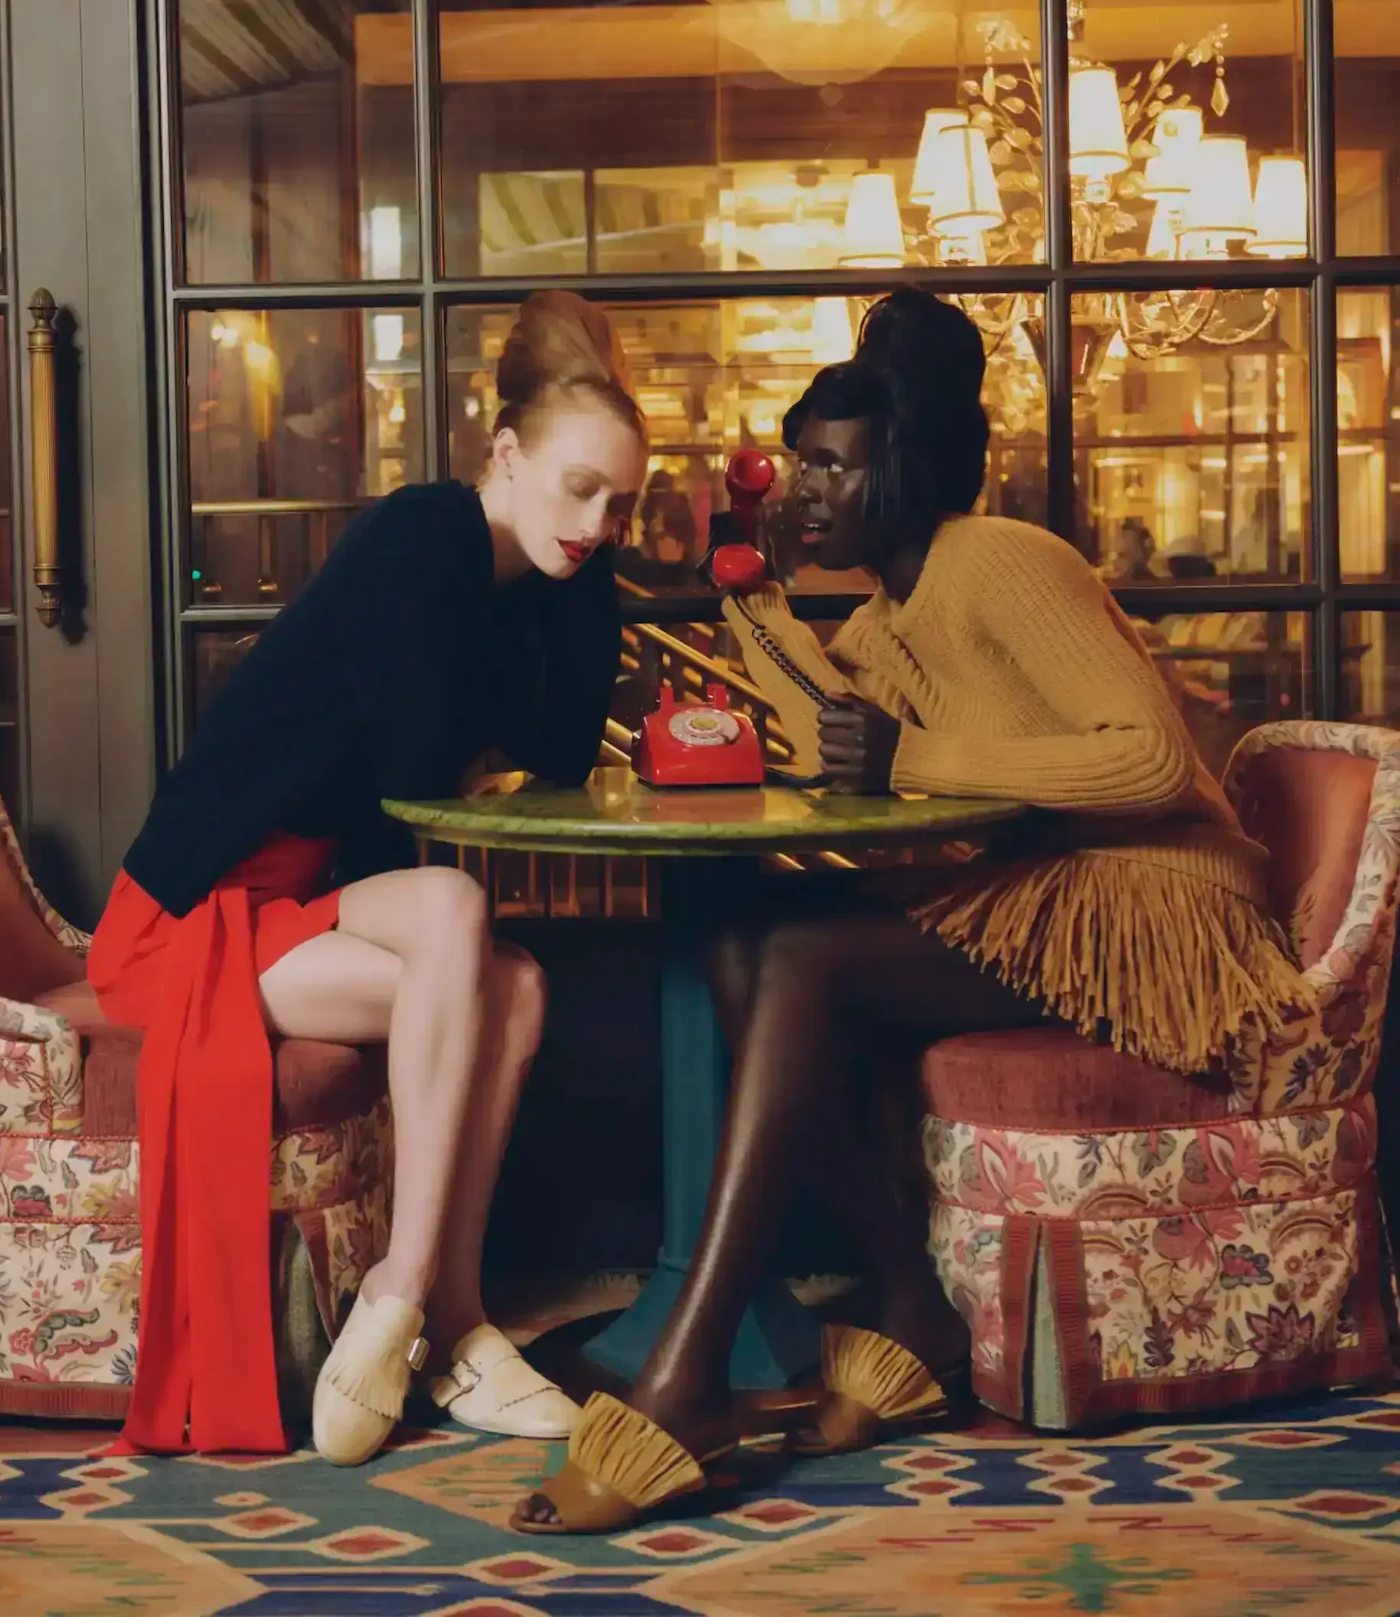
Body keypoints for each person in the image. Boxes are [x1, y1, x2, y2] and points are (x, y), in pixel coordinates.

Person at [514, 287, 1311, 1535]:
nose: (804, 489)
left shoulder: (1002, 560)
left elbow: (1152, 758)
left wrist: (919, 757)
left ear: (907, 465)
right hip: (1049, 890)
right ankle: (908, 1302)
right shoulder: (888, 618)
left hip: (1155, 900)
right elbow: (826, 742)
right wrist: (757, 603)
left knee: (801, 958)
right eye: (799, 463)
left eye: (833, 466)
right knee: (743, 937)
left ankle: (691, 1372)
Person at [88, 290, 647, 1464]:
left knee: (519, 985)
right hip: (191, 920)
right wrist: (488, 713)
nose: (597, 522)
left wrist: (590, 567)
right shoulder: (422, 535)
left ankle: (447, 1319)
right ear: (505, 455)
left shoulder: (535, 586)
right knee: (458, 914)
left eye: (622, 504)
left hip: (296, 902)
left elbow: (557, 753)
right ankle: (414, 1305)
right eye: (578, 488)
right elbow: (414, 768)